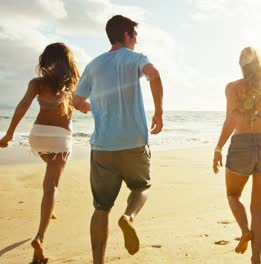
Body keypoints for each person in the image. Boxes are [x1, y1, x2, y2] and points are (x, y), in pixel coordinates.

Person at [72, 15, 164, 264]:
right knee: (141, 187)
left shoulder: (93, 65)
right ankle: (129, 217)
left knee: (101, 207)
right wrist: (159, 112)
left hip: (103, 146)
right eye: (134, 35)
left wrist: (96, 108)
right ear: (126, 35)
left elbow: (76, 101)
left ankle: (98, 262)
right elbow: (154, 75)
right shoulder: (135, 58)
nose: (136, 40)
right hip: (134, 142)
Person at [0, 43, 80, 263]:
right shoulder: (73, 85)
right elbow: (85, 107)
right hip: (61, 137)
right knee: (51, 185)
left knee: (51, 177)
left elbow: (23, 105)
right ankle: (40, 238)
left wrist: (9, 135)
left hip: (37, 136)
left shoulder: (37, 83)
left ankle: (49, 208)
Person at [212, 47, 261, 264]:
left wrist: (218, 148)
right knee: (259, 209)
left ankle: (245, 231)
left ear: (241, 66)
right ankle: (256, 258)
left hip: (241, 146)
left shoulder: (232, 88)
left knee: (233, 195)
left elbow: (231, 121)